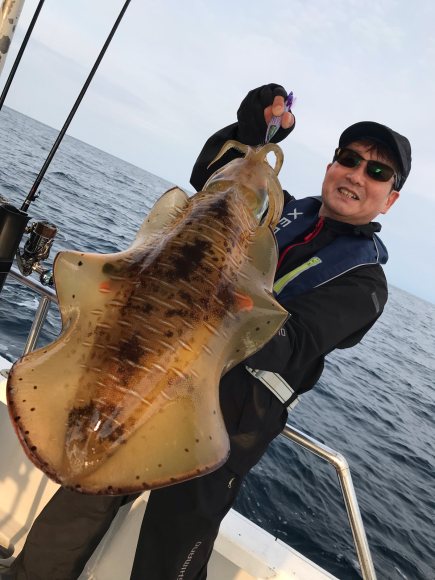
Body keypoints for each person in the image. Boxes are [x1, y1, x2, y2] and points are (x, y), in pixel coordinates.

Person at [2, 83, 411, 580]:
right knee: (80, 500)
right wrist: (250, 129)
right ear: (331, 166)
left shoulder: (364, 282)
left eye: (377, 171)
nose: (356, 174)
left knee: (168, 555)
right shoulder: (274, 208)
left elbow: (292, 345)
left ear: (389, 199)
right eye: (349, 158)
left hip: (226, 425)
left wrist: (207, 299)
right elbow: (209, 184)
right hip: (142, 369)